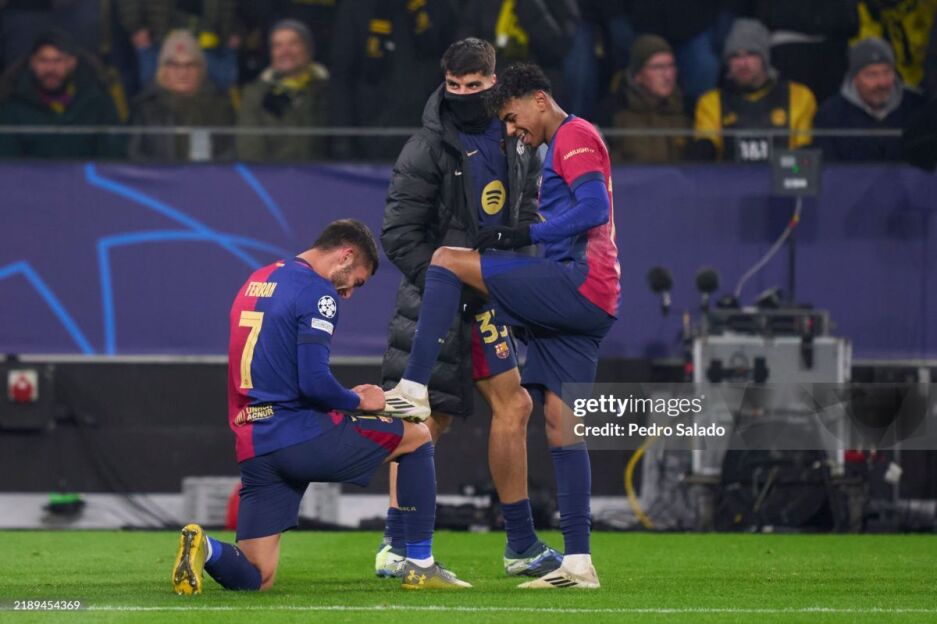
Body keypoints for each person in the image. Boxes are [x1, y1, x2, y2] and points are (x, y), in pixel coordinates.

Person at [376, 63, 620, 590]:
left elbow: (594, 208)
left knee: (447, 259)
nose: (512, 130)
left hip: (577, 282)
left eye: (512, 117)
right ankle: (578, 563)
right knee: (561, 424)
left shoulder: (574, 135)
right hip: (591, 298)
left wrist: (524, 234)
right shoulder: (553, 145)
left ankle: (411, 387)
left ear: (539, 99)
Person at [171, 220, 471, 594]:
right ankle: (421, 564)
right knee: (419, 436)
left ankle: (207, 547)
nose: (348, 293)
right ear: (345, 255)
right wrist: (361, 400)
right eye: (356, 281)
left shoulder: (256, 280)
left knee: (256, 578)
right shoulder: (317, 293)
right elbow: (313, 384)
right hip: (298, 435)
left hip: (255, 442)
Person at [692, 18, 817, 162]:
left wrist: (785, 172)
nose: (743, 63)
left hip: (785, 176)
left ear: (765, 58)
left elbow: (804, 161)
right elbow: (704, 156)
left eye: (751, 54)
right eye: (735, 56)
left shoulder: (799, 96)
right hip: (730, 177)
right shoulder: (711, 102)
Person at [0, 30, 124, 159]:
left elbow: (113, 156)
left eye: (58, 60)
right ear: (32, 63)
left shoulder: (98, 104)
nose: (50, 69)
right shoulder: (12, 107)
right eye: (43, 60)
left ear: (72, 63)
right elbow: (6, 161)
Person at [128, 30, 234, 161]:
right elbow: (134, 157)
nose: (183, 73)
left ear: (201, 69)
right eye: (174, 65)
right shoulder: (144, 109)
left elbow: (231, 155)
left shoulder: (220, 107)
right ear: (163, 70)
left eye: (190, 65)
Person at [814, 37, 926, 162]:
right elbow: (827, 169)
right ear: (854, 78)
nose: (882, 83)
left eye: (887, 72)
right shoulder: (830, 115)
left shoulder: (918, 107)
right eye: (872, 74)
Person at [236, 19, 329, 162]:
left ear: (308, 49)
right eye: (277, 46)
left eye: (293, 43)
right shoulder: (255, 94)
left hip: (323, 173)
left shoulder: (329, 90)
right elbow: (250, 149)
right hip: (272, 174)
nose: (285, 52)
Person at [607, 34, 690, 163]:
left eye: (671, 66)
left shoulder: (687, 109)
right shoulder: (614, 112)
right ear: (637, 75)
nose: (668, 75)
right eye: (658, 67)